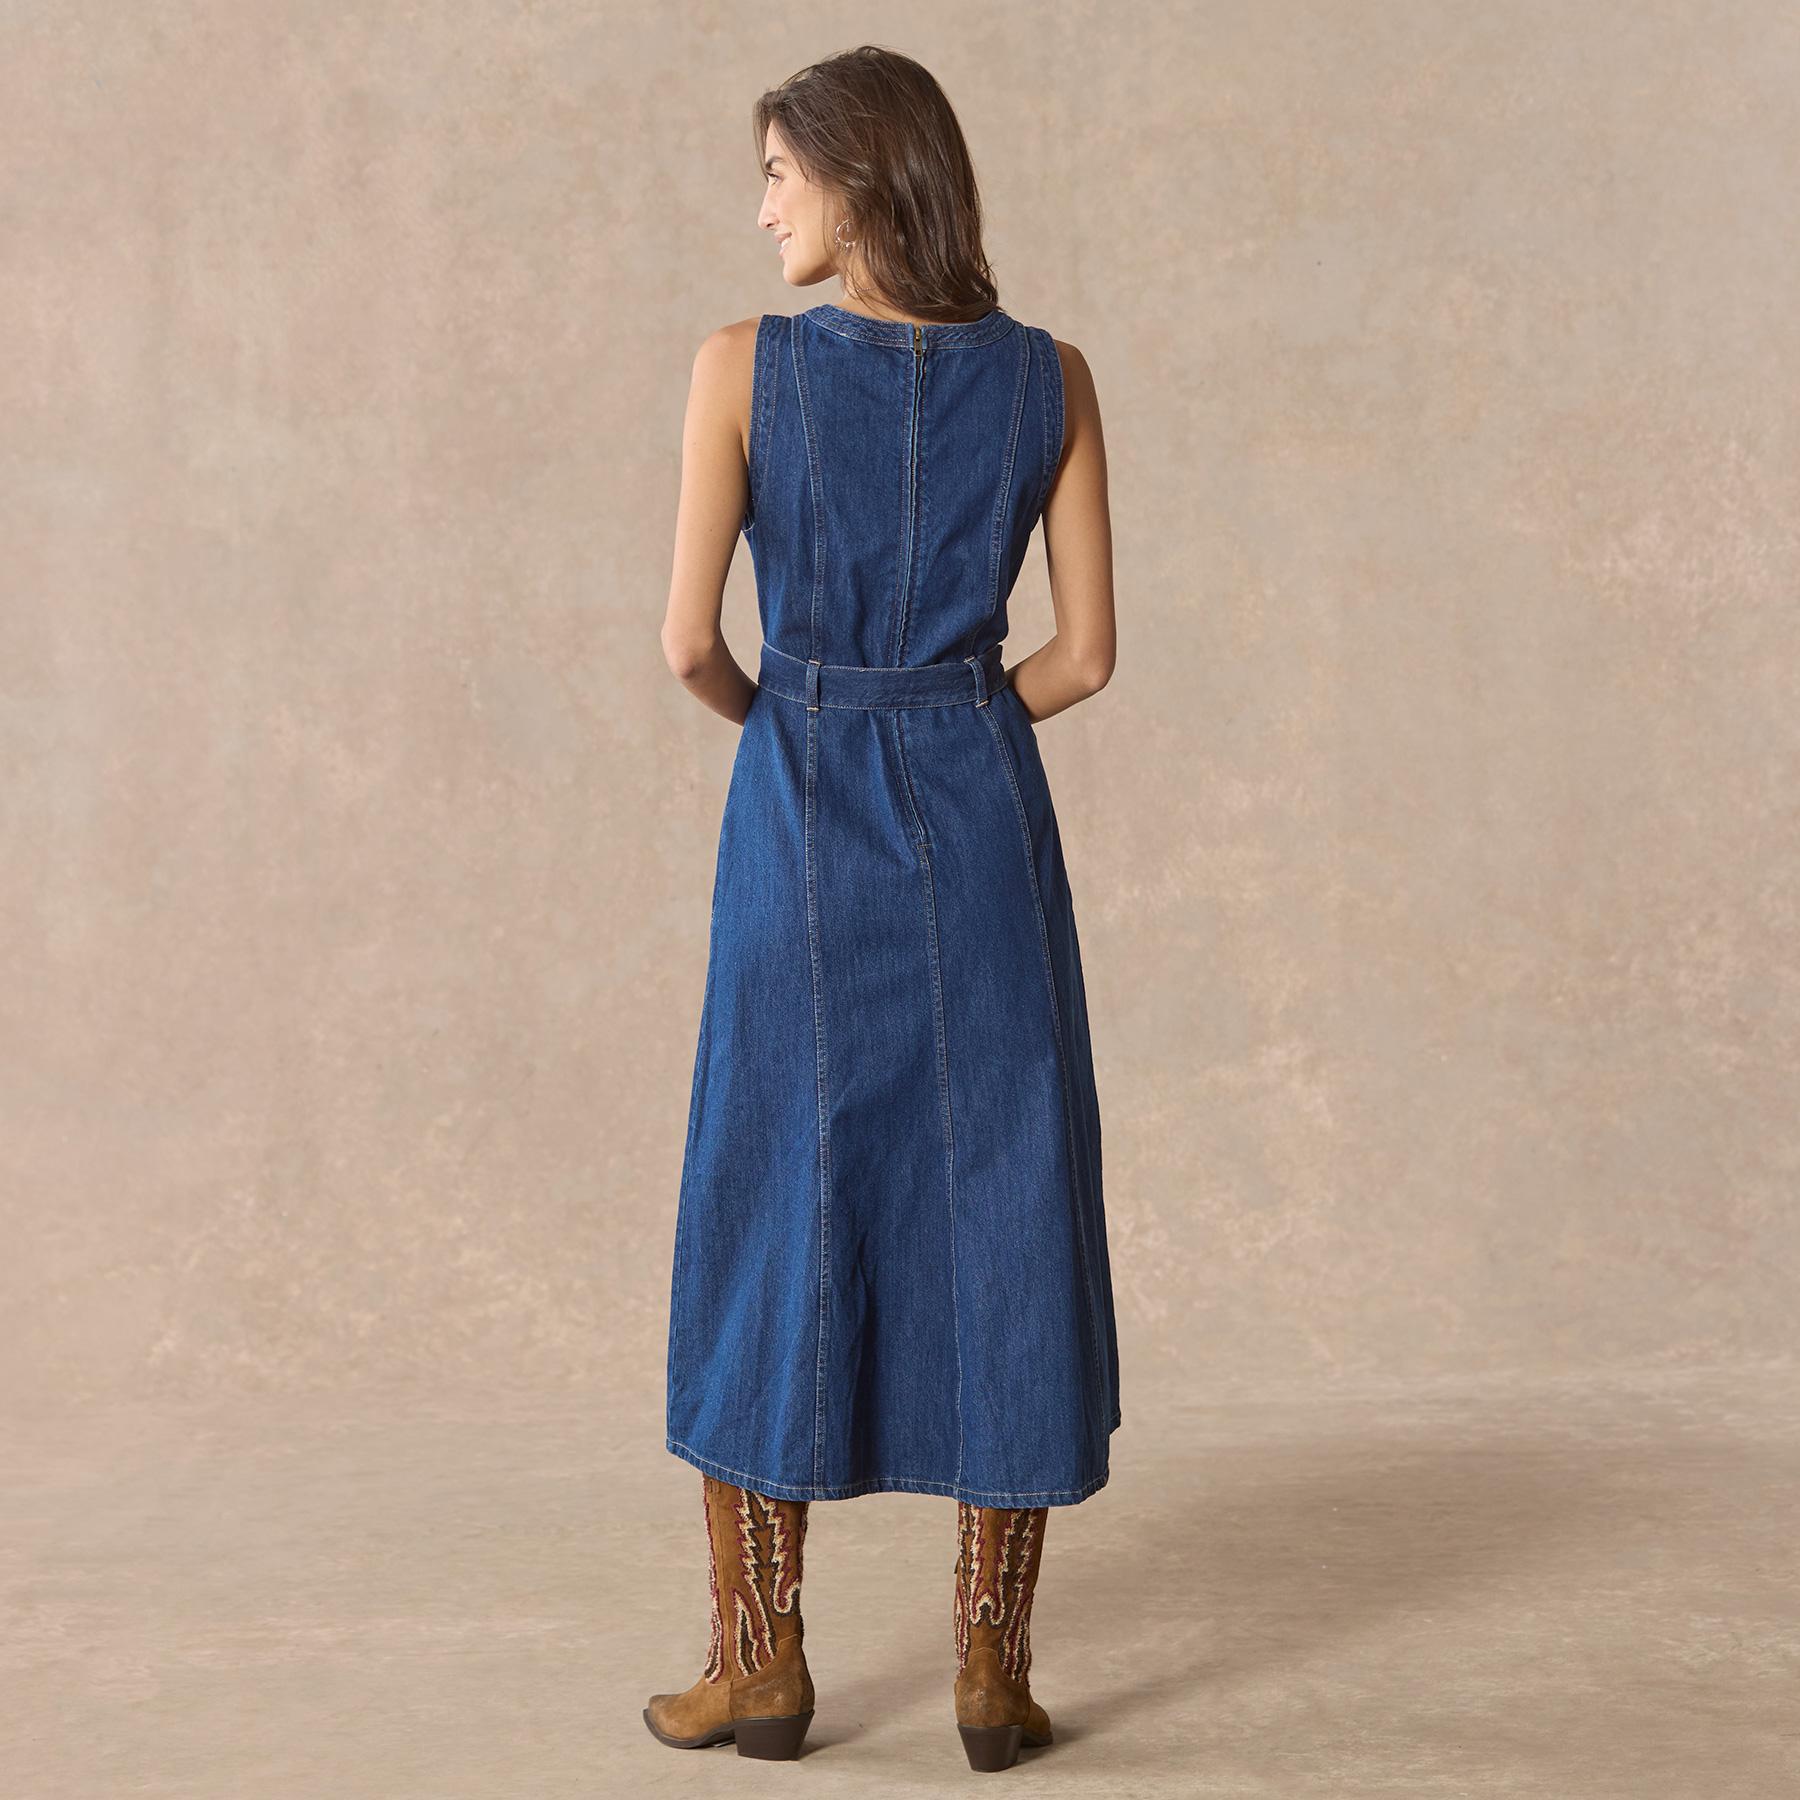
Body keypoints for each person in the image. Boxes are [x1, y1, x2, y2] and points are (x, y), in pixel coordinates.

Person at [645, 45, 1120, 1771]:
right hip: (982, 825)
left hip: (800, 818)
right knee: (1005, 1194)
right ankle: (992, 1674)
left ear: (856, 178)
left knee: (773, 1192)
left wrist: (803, 727)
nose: (764, 206)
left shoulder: (740, 368)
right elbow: (1085, 657)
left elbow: (692, 646)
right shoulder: (1051, 378)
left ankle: (760, 1662)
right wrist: (957, 720)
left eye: (780, 172)